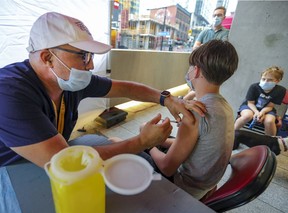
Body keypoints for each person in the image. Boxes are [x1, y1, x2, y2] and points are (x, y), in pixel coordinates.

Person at [0, 12, 207, 168]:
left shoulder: (68, 81)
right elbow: (63, 161)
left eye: (91, 56)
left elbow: (126, 88)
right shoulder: (9, 93)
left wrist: (166, 99)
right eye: (83, 55)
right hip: (11, 172)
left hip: (53, 157)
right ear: (47, 58)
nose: (90, 66)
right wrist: (141, 141)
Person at [144, 39, 239, 200]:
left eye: (190, 67)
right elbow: (198, 145)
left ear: (196, 71)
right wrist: (161, 140)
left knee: (117, 141)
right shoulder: (225, 107)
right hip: (206, 185)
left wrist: (148, 142)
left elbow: (167, 168)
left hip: (183, 188)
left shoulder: (196, 112)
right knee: (163, 142)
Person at [234, 66, 286, 136]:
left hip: (267, 109)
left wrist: (262, 112)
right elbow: (250, 103)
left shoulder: (281, 90)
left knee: (269, 121)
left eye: (270, 80)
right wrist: (256, 112)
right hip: (250, 106)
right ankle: (231, 133)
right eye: (263, 79)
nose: (265, 82)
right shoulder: (254, 87)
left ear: (277, 81)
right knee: (247, 116)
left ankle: (270, 142)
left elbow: (270, 105)